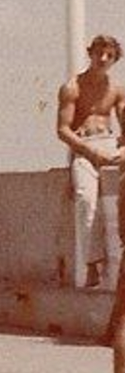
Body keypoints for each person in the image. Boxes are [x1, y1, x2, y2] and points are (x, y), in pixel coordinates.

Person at [56, 34, 125, 288]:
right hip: (85, 148)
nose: (103, 59)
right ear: (91, 53)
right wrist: (89, 152)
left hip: (109, 145)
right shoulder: (72, 87)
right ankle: (92, 264)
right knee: (86, 200)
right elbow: (63, 129)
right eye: (100, 53)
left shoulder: (116, 89)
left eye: (109, 55)